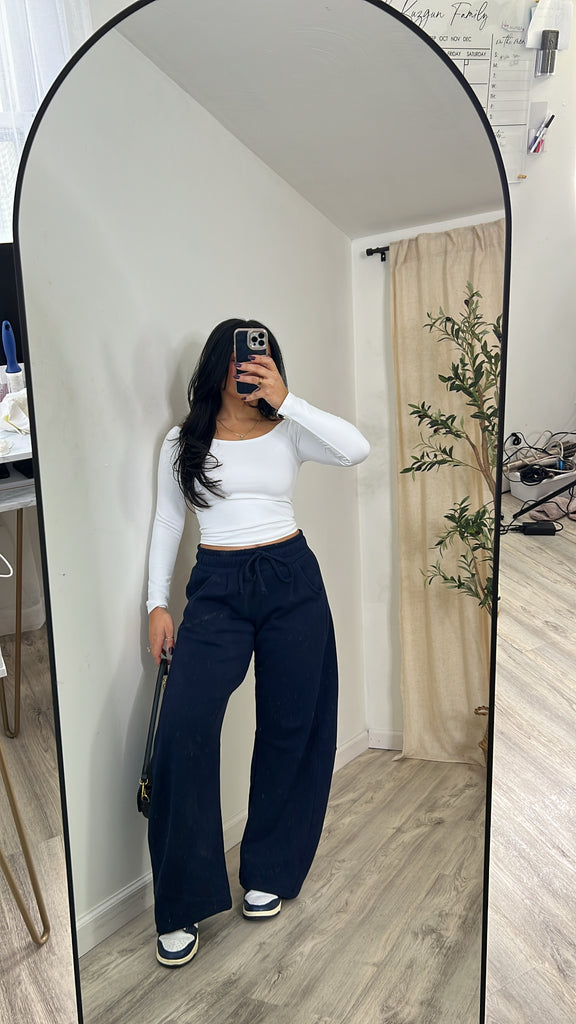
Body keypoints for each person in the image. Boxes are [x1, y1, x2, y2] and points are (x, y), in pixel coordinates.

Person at [146, 318, 370, 967]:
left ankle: (269, 869)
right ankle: (181, 900)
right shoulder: (182, 441)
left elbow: (356, 449)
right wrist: (156, 603)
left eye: (263, 358)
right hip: (216, 585)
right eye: (242, 359)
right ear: (219, 363)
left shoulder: (288, 427)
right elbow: (168, 520)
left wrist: (287, 399)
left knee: (291, 724)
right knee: (183, 727)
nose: (250, 368)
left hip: (291, 576)